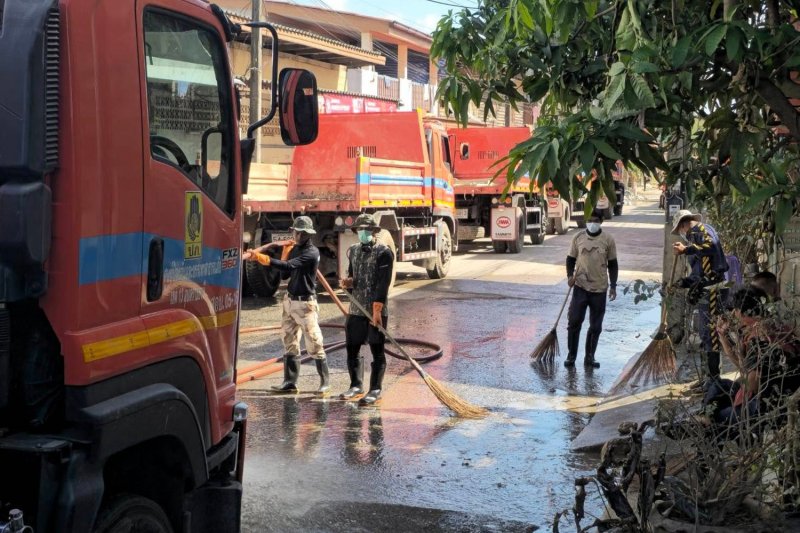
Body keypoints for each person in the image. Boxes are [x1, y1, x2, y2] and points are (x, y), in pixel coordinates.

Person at [242, 216, 329, 394]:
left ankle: (325, 382)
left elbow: (288, 267)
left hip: (306, 304)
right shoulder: (295, 249)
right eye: (295, 232)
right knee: (289, 341)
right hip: (290, 301)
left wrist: (262, 258)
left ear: (306, 234)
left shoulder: (311, 253)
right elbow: (284, 277)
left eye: (298, 233)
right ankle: (290, 382)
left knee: (314, 343)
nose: (295, 235)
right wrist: (285, 252)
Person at [338, 214, 394, 405]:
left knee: (377, 349)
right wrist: (348, 282)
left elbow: (383, 284)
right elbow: (354, 276)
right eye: (359, 230)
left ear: (373, 231)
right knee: (352, 347)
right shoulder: (353, 250)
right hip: (356, 308)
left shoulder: (384, 253)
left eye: (366, 230)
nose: (362, 233)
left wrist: (377, 309)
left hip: (375, 310)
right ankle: (356, 385)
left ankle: (375, 389)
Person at [671, 210, 729, 384]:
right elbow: (699, 272)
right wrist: (682, 283)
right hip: (706, 288)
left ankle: (713, 380)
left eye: (681, 231)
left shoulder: (699, 231)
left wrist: (685, 250)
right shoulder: (696, 236)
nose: (683, 235)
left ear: (683, 224)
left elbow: (711, 246)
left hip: (714, 288)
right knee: (705, 335)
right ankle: (707, 378)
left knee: (710, 335)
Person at [565, 210, 618, 369]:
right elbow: (570, 259)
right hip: (580, 287)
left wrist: (613, 286)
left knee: (596, 326)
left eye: (595, 220)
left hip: (599, 289)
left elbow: (613, 264)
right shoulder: (578, 237)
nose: (592, 223)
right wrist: (569, 276)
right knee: (574, 323)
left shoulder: (608, 239)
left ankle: (590, 357)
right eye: (589, 220)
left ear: (601, 221)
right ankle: (571, 355)